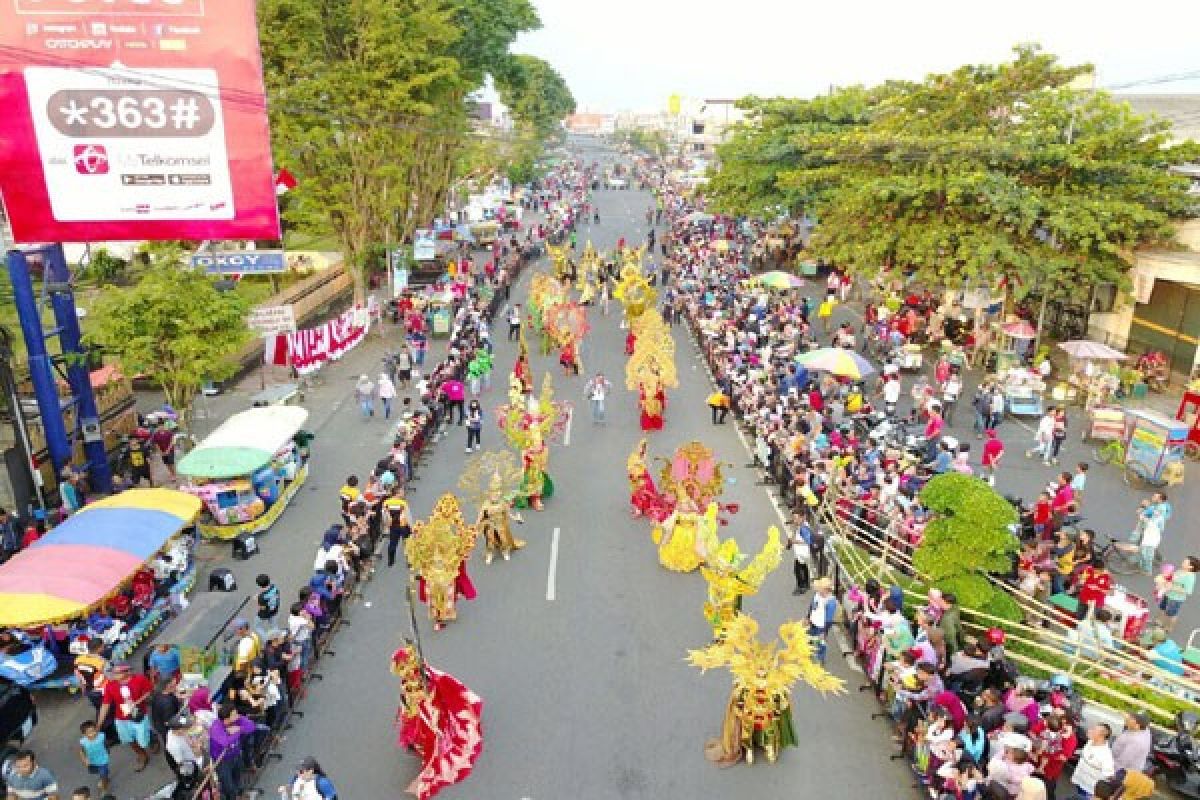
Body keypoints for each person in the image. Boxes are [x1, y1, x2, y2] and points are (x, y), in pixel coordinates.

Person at [96, 663, 155, 772]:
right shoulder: (110, 685)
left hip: (139, 715)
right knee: (129, 739)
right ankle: (142, 755)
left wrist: (137, 702)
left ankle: (152, 738)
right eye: (112, 672)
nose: (113, 675)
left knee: (143, 739)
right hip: (121, 719)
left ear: (127, 672)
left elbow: (149, 691)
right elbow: (105, 705)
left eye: (116, 673)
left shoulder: (140, 679)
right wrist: (99, 724)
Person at [1070, 724, 1115, 799]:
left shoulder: (1106, 755)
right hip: (1080, 780)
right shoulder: (1090, 742)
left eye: (1094, 730)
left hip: (1090, 790)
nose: (1089, 730)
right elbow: (1084, 754)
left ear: (1102, 736)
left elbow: (1109, 776)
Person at [1159, 555, 1197, 631]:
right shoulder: (1181, 570)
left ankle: (1169, 628)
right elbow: (1172, 578)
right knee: (1163, 607)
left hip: (1176, 598)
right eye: (1184, 561)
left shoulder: (1190, 577)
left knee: (1171, 614)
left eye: (1185, 562)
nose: (1183, 562)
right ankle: (1160, 622)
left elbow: (1188, 591)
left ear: (1191, 567)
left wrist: (1173, 587)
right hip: (1168, 593)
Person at [808, 577, 838, 665]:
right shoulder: (817, 594)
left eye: (820, 588)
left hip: (821, 627)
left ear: (826, 590)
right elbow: (812, 606)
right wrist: (808, 617)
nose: (818, 590)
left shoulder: (831, 601)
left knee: (820, 642)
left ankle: (820, 659)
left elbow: (828, 620)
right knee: (811, 638)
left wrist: (823, 632)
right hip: (813, 622)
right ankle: (810, 652)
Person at [78, 721, 110, 793]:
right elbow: (81, 751)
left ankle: (104, 789)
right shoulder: (83, 742)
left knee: (103, 774)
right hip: (92, 761)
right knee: (99, 772)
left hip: (103, 760)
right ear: (84, 734)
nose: (93, 734)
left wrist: (107, 751)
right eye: (89, 732)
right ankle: (105, 777)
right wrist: (84, 760)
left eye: (94, 731)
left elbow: (106, 744)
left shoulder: (101, 736)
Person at [787, 514, 813, 594]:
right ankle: (806, 583)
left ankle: (801, 586)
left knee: (797, 570)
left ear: (802, 517)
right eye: (794, 518)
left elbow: (808, 541)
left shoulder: (804, 528)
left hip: (802, 552)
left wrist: (794, 542)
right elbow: (794, 536)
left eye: (796, 518)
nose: (794, 520)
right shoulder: (800, 526)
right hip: (800, 552)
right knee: (803, 567)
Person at [256, 574, 281, 639]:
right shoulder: (274, 588)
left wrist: (257, 599)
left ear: (259, 585)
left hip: (265, 614)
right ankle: (278, 637)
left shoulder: (261, 597)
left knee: (257, 626)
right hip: (274, 611)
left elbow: (261, 607)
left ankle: (266, 639)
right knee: (274, 626)